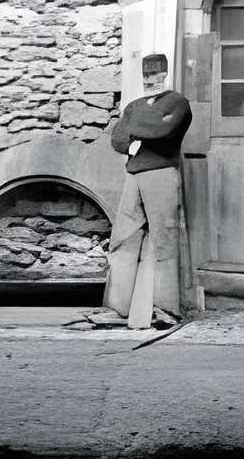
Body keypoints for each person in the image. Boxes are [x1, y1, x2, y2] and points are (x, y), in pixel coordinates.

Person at [89, 52, 191, 332]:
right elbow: (118, 139)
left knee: (164, 240)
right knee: (123, 239)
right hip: (134, 175)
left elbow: (165, 130)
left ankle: (166, 309)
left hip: (161, 174)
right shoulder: (133, 105)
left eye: (155, 73)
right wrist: (137, 133)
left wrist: (135, 131)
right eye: (146, 74)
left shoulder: (178, 103)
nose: (150, 78)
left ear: (165, 74)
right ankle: (117, 308)